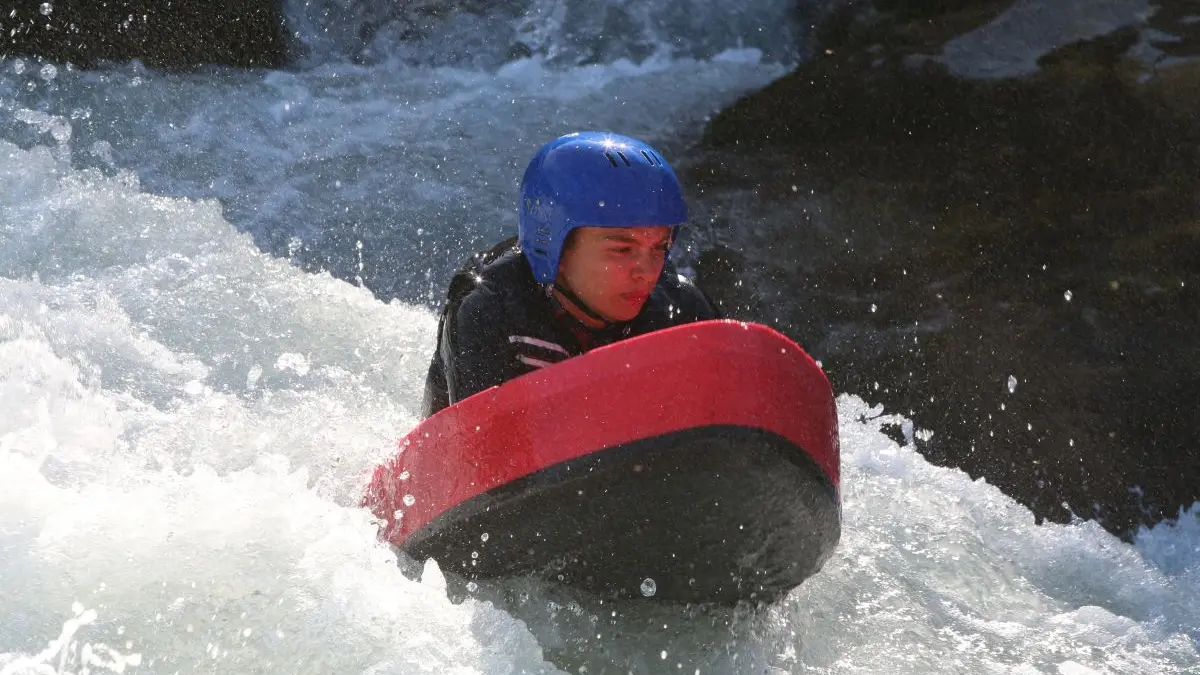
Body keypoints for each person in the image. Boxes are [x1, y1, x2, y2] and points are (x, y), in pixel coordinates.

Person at [421, 131, 722, 417]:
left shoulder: (680, 310)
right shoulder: (490, 310)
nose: (648, 273)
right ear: (556, 251)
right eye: (622, 249)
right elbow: (473, 447)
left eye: (659, 247)